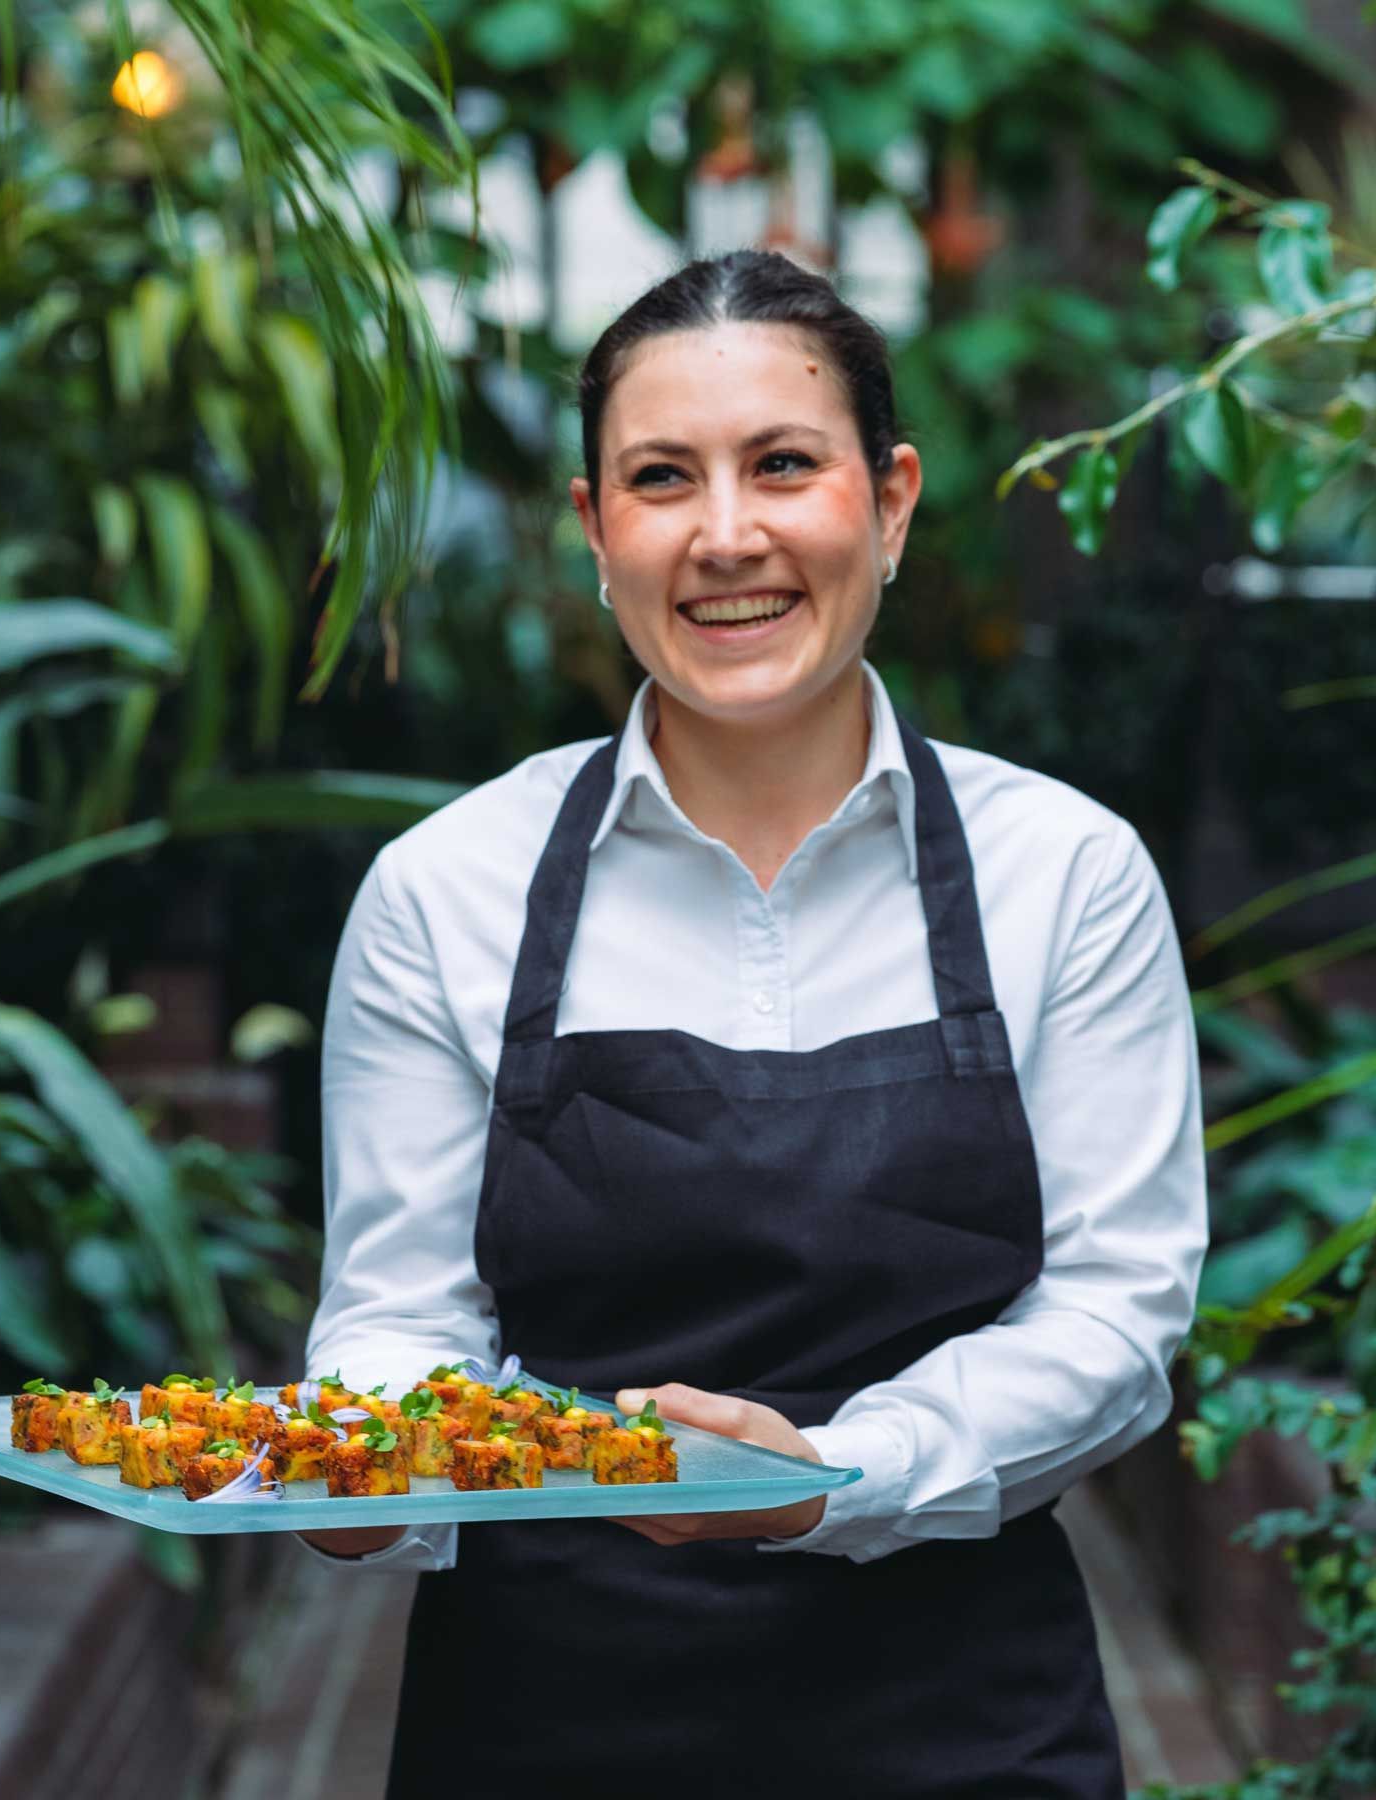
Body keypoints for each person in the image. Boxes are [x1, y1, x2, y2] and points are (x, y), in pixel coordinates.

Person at [294, 249, 1207, 1797]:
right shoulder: (445, 889)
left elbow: (1117, 1322)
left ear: (893, 500)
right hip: (543, 1729)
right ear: (596, 530)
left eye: (784, 464)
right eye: (662, 479)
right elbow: (397, 1320)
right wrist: (358, 1468)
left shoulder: (1068, 875)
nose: (727, 537)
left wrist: (834, 1475)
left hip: (963, 1728)